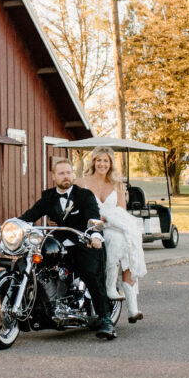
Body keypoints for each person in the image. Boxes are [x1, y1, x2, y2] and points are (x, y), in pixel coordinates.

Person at [20, 157, 116, 340]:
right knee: (36, 267)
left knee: (89, 273)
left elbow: (93, 217)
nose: (66, 176)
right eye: (61, 173)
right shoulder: (48, 197)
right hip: (58, 246)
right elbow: (29, 216)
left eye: (69, 172)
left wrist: (95, 235)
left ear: (73, 175)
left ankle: (105, 319)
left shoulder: (84, 195)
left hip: (83, 243)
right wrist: (12, 226)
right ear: (54, 177)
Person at [77, 146, 147, 323]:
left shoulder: (117, 185)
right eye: (99, 160)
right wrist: (100, 219)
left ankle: (132, 309)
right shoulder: (81, 182)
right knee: (118, 239)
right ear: (93, 162)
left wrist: (109, 219)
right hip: (92, 226)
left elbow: (121, 210)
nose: (102, 164)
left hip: (113, 224)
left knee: (129, 242)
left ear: (111, 163)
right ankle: (111, 289)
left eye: (106, 160)